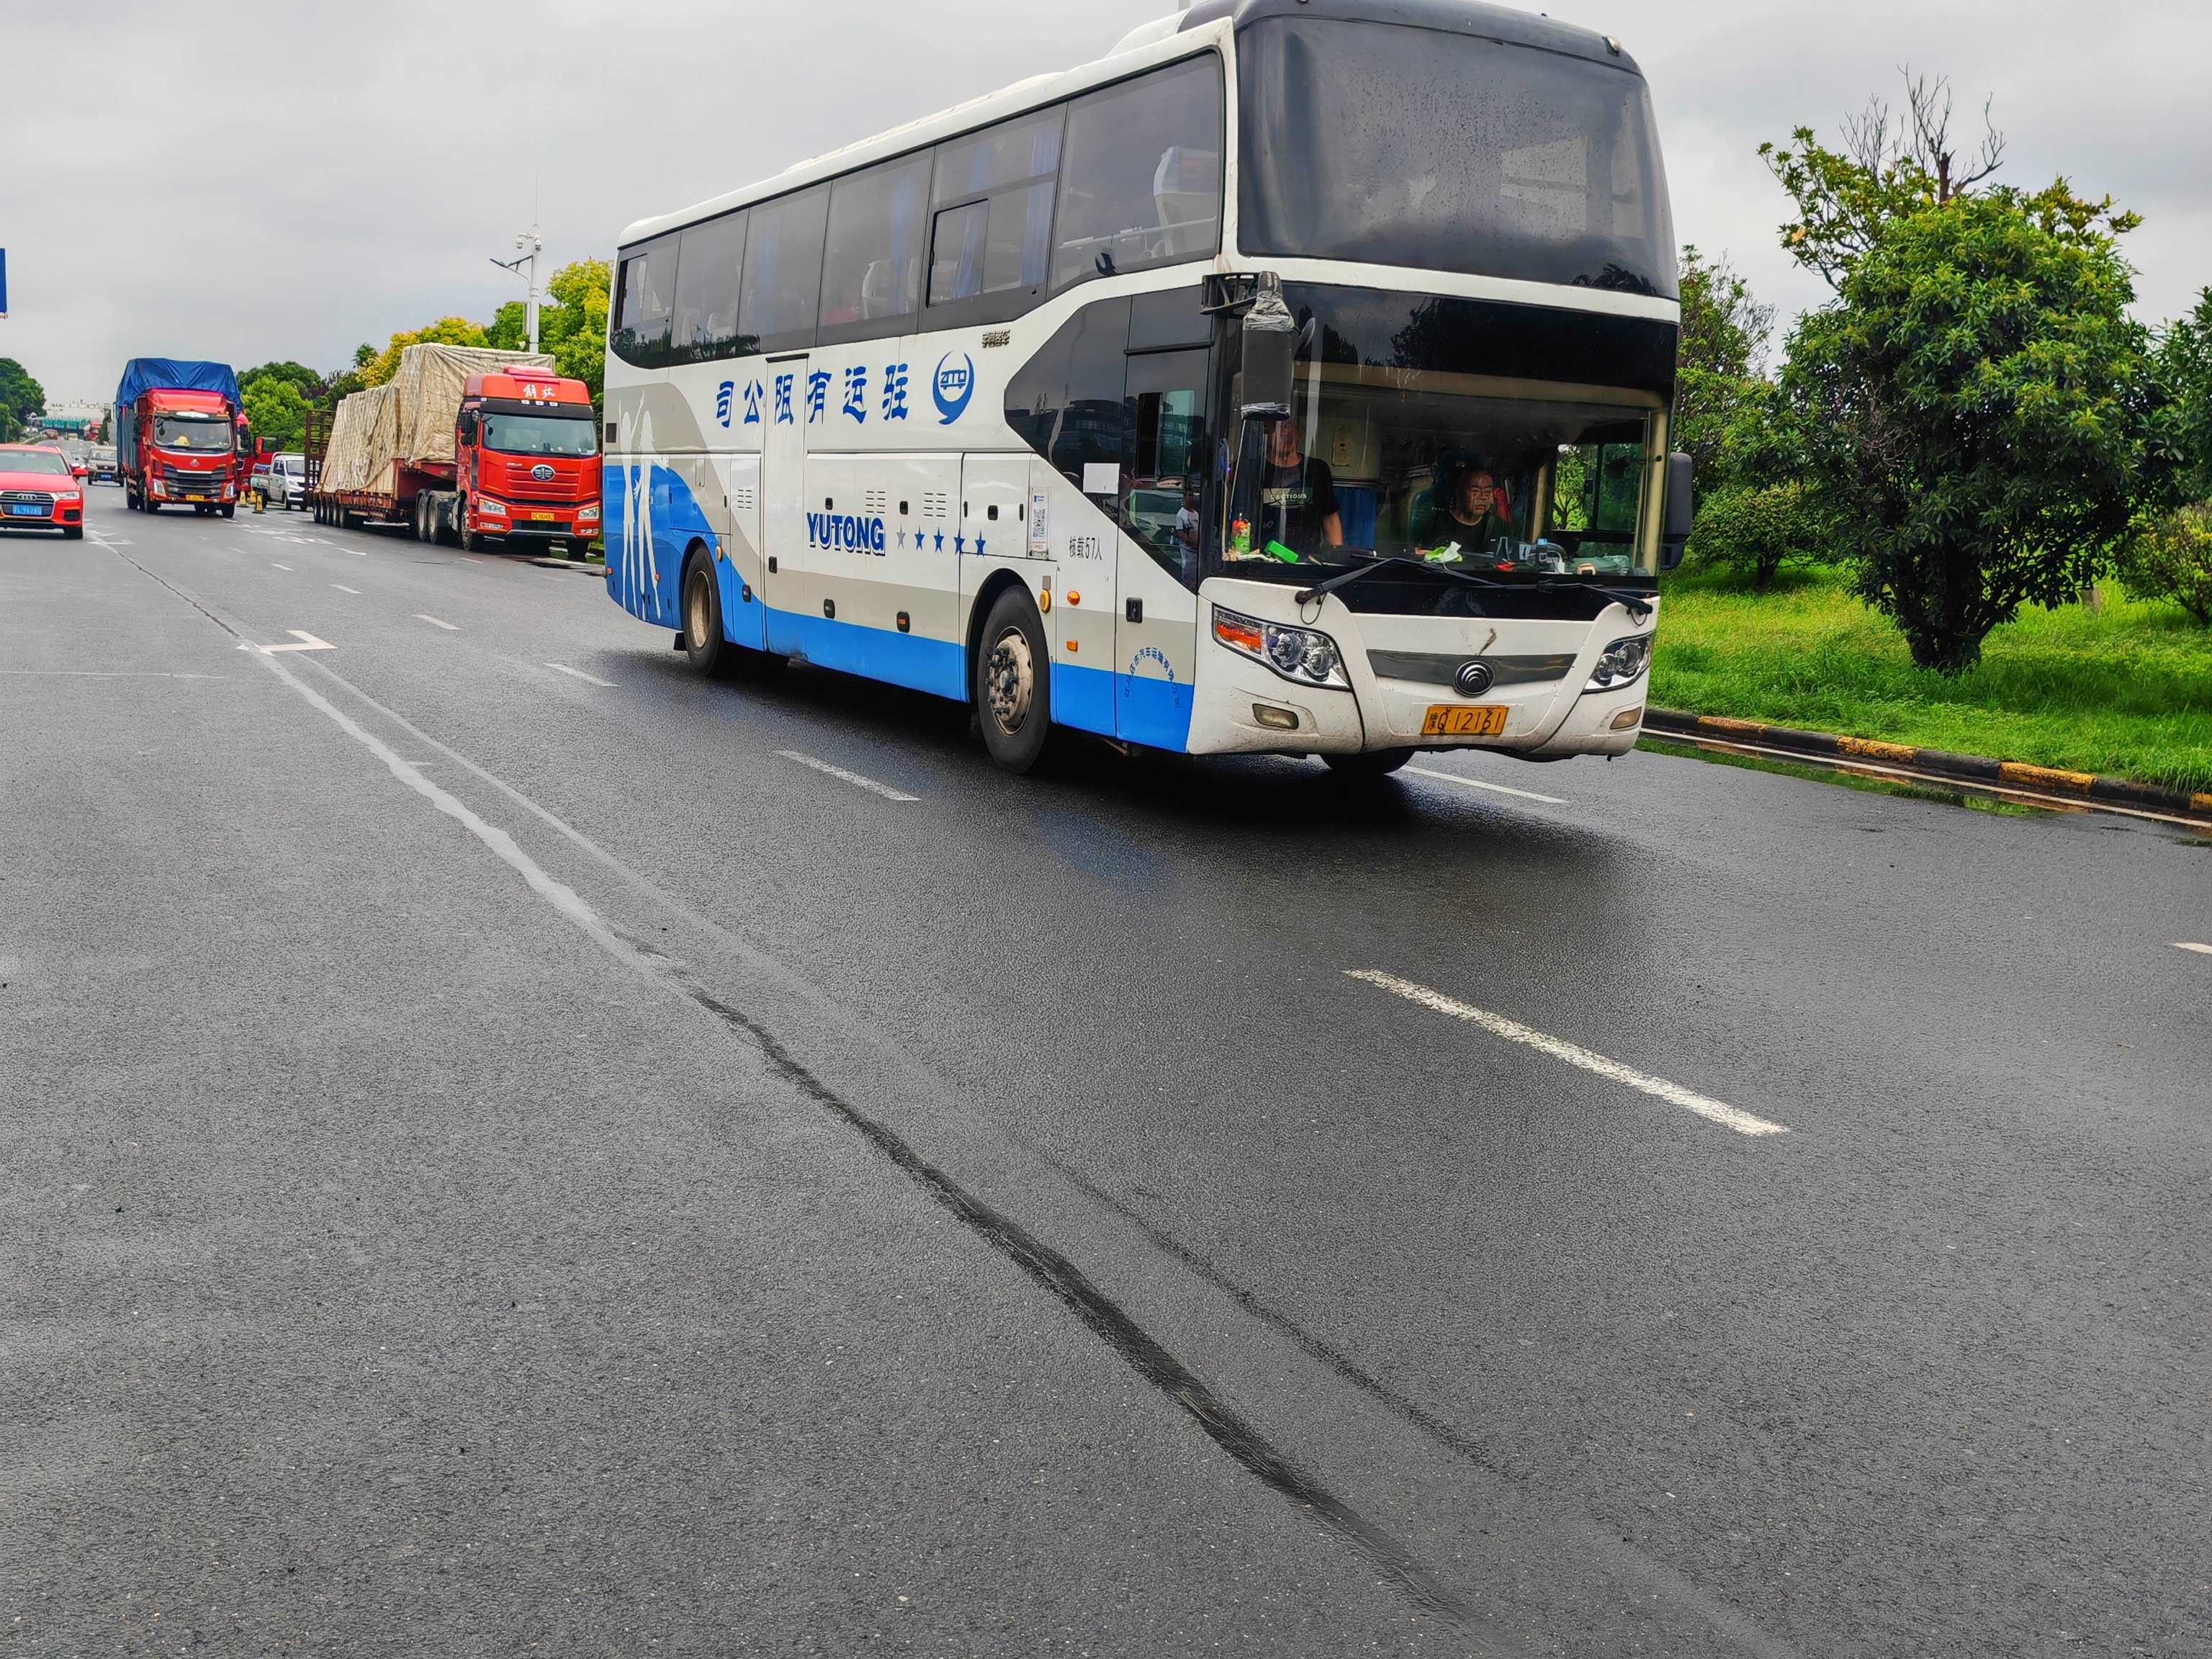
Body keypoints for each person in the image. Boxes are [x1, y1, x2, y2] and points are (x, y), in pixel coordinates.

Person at [1254, 415, 1341, 556]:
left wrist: (1337, 557)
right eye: (1279, 427)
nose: (1286, 433)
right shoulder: (1252, 469)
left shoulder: (1317, 469)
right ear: (1267, 431)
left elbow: (1331, 518)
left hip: (1307, 563)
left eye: (1290, 426)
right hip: (1261, 562)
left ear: (1299, 433)